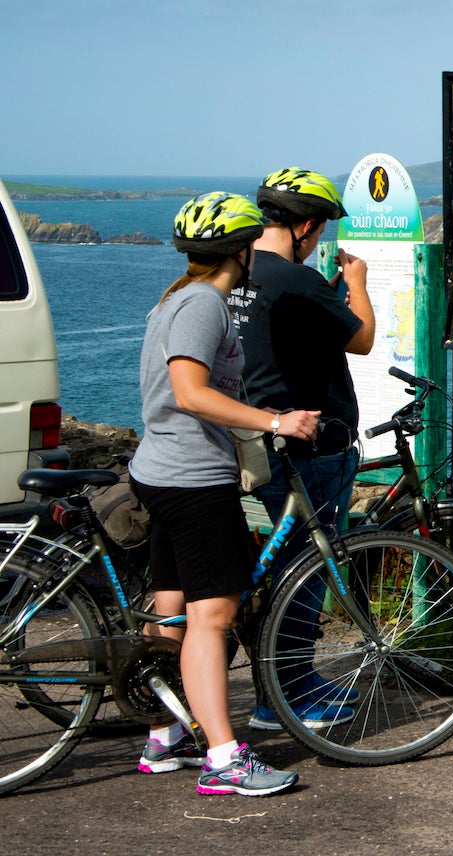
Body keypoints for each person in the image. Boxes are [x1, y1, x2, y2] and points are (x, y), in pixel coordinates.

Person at [129, 192, 318, 796]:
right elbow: (188, 391)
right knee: (214, 619)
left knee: (173, 611)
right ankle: (224, 758)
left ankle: (167, 736)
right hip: (192, 479)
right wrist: (273, 423)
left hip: (160, 471)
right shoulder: (205, 305)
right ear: (240, 250)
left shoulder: (175, 299)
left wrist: (251, 412)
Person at [229, 166, 373, 731]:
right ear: (306, 226)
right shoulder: (297, 280)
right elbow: (360, 339)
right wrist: (356, 280)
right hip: (312, 447)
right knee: (306, 573)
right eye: (319, 233)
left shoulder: (237, 272)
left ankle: (292, 683)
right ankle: (282, 699)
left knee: (284, 569)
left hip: (256, 441)